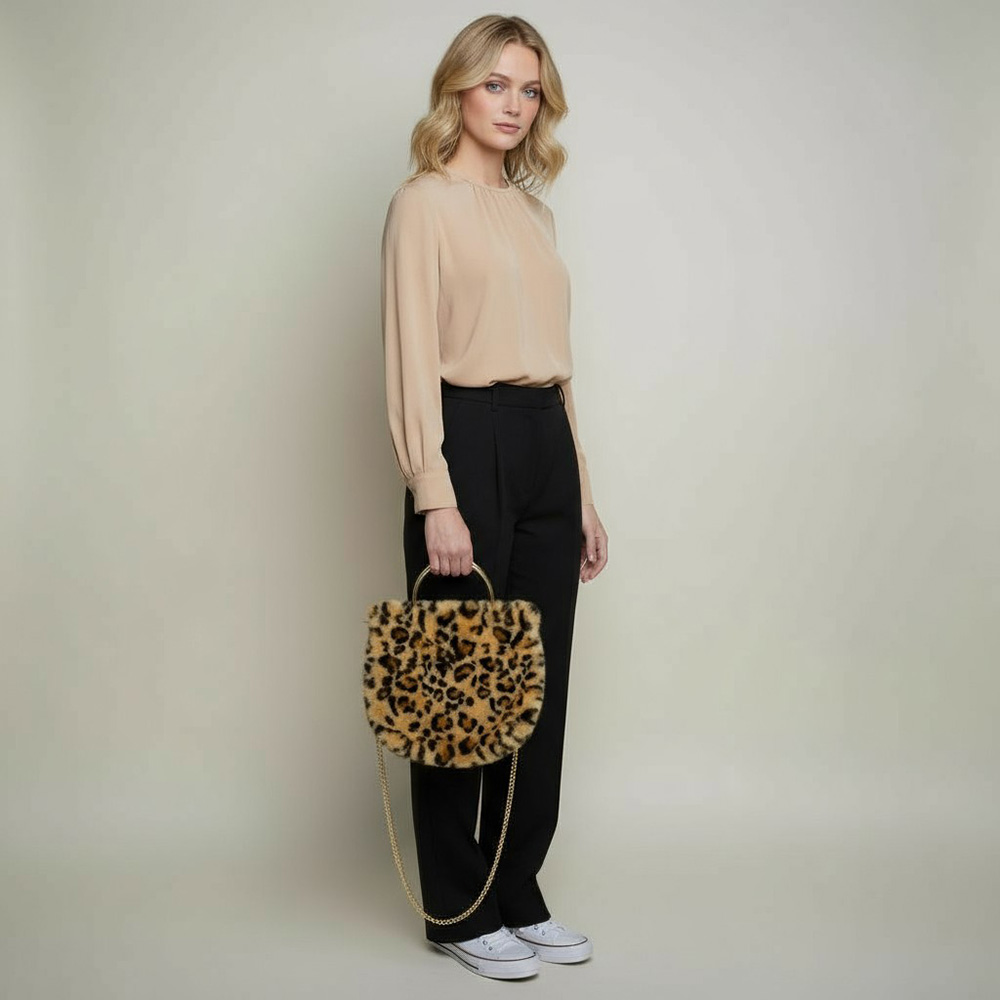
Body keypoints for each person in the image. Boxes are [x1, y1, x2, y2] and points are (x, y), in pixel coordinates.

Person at [379, 14, 609, 981]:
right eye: (497, 84)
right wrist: (434, 491)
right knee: (459, 686)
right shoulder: (422, 205)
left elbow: (558, 364)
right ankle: (458, 908)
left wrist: (583, 490)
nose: (514, 105)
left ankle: (517, 889)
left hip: (545, 439)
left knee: (537, 687)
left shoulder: (535, 215)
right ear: (459, 90)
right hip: (464, 438)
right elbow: (411, 355)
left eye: (530, 89)